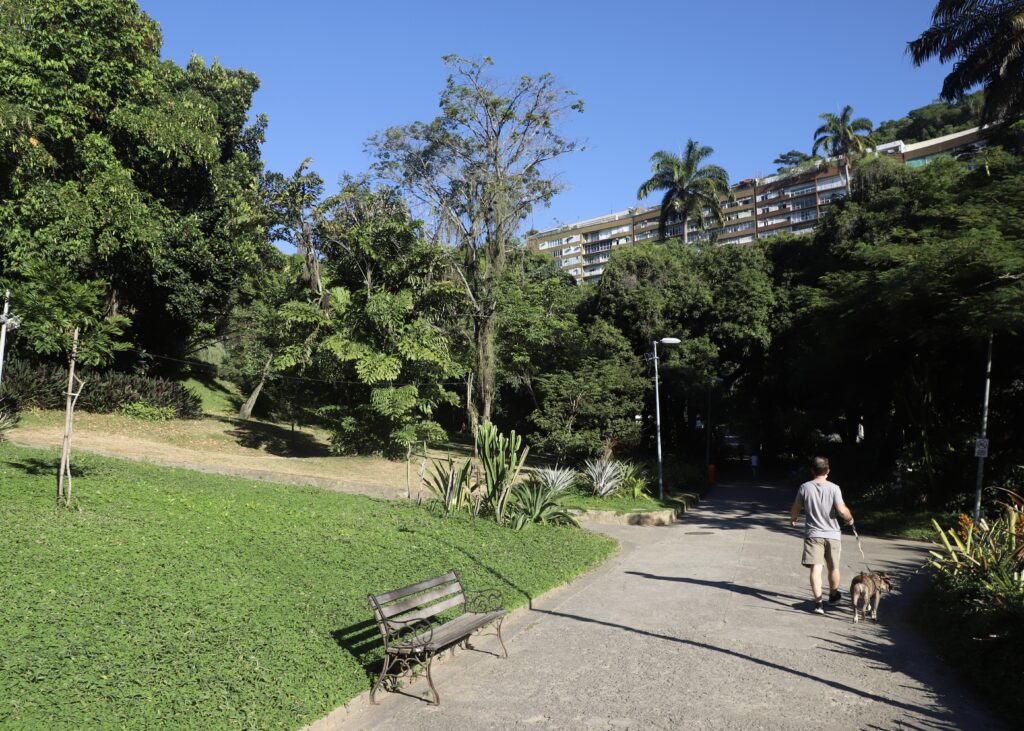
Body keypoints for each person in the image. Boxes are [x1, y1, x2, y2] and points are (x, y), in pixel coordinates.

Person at [789, 456, 854, 615]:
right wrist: (850, 519)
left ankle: (818, 604)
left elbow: (796, 507)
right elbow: (841, 510)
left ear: (812, 471)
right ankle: (833, 595)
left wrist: (793, 518)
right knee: (833, 568)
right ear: (828, 471)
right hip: (832, 534)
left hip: (813, 534)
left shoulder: (804, 487)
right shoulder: (834, 488)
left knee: (815, 569)